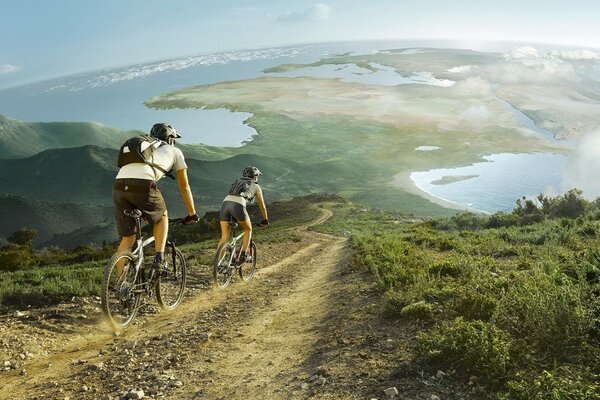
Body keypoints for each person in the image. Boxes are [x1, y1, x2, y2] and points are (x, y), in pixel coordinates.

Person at [112, 123, 199, 274]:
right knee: (162, 216)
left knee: (127, 239)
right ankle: (159, 258)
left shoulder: (145, 148)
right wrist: (192, 214)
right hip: (143, 185)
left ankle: (122, 284)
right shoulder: (175, 151)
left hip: (119, 186)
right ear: (170, 138)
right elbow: (184, 187)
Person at [217, 166, 269, 264]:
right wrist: (265, 220)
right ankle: (244, 255)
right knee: (248, 229)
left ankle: (218, 263)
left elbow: (232, 195)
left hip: (225, 204)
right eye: (257, 177)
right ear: (255, 177)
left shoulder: (237, 181)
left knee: (224, 236)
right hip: (238, 205)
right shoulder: (256, 187)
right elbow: (262, 207)